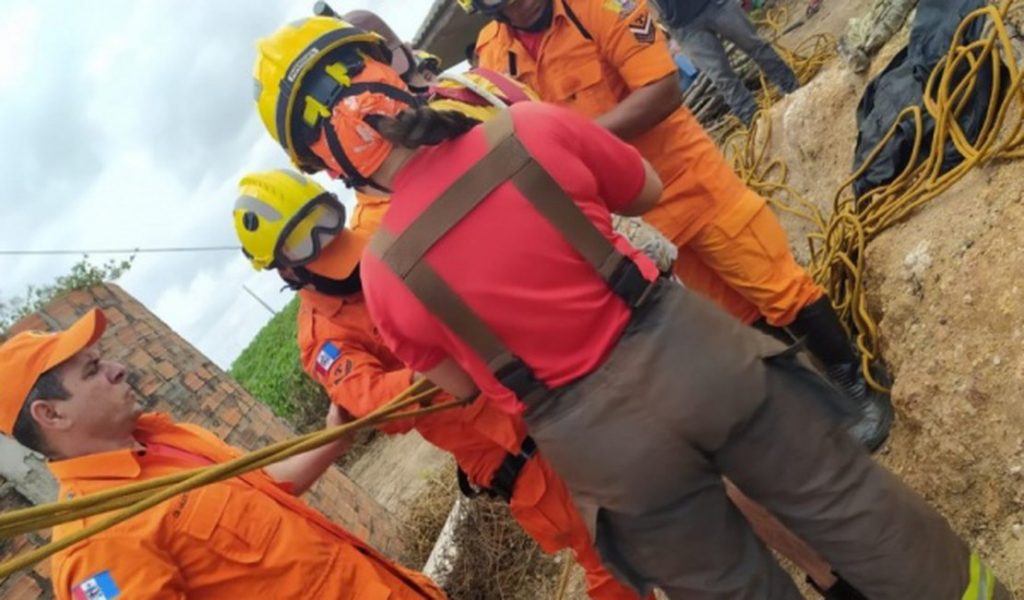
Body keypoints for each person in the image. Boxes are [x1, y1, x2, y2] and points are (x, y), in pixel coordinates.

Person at [249, 23, 1010, 598]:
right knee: (849, 504)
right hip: (694, 354)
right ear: (393, 74)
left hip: (600, 448)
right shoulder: (526, 129)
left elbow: (462, 386)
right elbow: (644, 190)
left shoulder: (385, 279)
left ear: (323, 163)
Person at [463, 0, 893, 452]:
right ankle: (818, 401)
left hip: (690, 183)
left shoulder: (602, 7)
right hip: (637, 217)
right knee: (737, 317)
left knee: (777, 287)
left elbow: (662, 89)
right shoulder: (493, 57)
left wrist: (571, 145)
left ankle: (857, 381)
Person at [232, 169, 647, 600]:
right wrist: (442, 361)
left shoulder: (379, 237)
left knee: (652, 492)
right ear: (287, 271)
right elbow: (376, 404)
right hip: (512, 451)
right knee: (609, 555)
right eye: (317, 252)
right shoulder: (324, 338)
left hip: (552, 390)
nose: (350, 266)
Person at [0, 309, 446, 600]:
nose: (118, 369)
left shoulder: (167, 438)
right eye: (93, 370)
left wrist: (336, 437)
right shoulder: (96, 546)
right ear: (51, 414)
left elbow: (266, 489)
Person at [652, 0, 800, 125]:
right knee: (722, 77)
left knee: (756, 46)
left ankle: (795, 92)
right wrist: (665, 35)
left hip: (716, 4)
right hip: (683, 26)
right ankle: (754, 122)